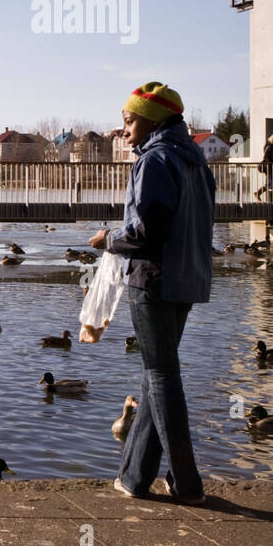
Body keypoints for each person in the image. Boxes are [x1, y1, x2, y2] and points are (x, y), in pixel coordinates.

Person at [89, 82, 214, 506]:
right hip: (187, 279)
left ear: (152, 120)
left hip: (154, 280)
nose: (123, 130)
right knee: (154, 374)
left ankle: (188, 482)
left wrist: (109, 238)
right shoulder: (195, 161)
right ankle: (134, 478)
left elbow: (147, 230)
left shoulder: (156, 160)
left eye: (128, 120)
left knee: (161, 376)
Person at [255, 132, 273, 202]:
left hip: (269, 167)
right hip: (270, 167)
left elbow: (269, 157)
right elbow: (270, 158)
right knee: (271, 183)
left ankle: (259, 194)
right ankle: (271, 198)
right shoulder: (271, 146)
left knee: (270, 183)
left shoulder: (268, 146)